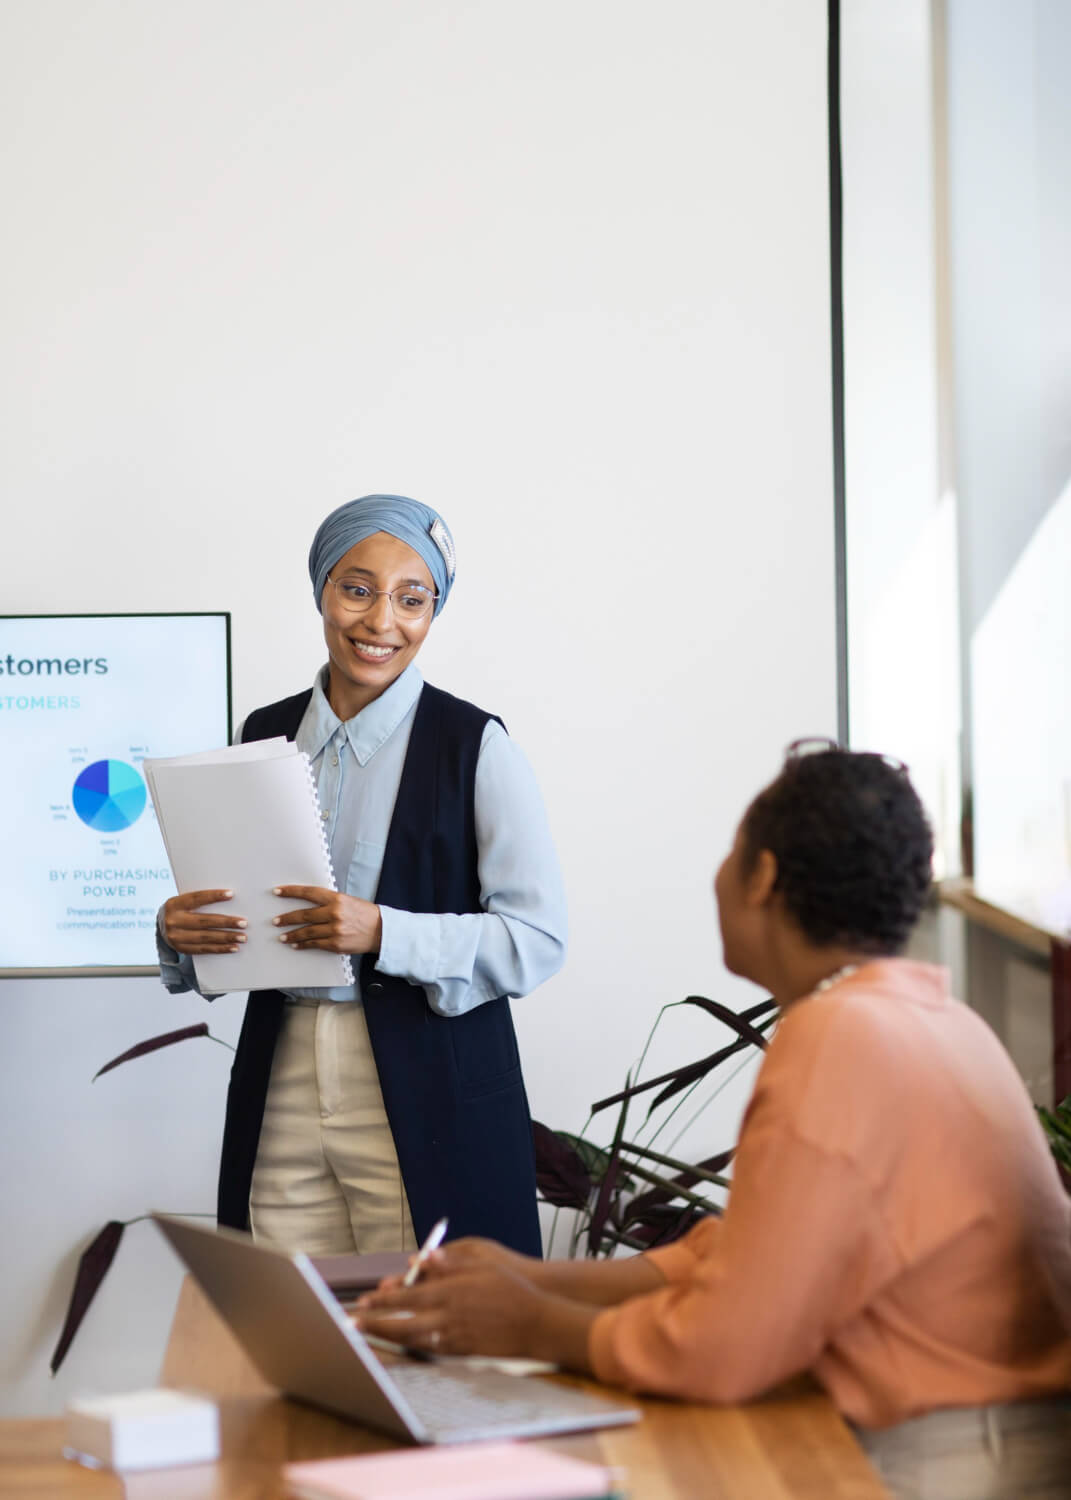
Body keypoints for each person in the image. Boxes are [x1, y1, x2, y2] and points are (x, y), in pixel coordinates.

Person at [358, 742, 1071, 1500]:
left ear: (761, 875)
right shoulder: (934, 1019)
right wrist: (528, 1279)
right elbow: (743, 1255)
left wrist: (523, 1321)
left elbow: (723, 1349)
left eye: (731, 852)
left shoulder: (840, 1039)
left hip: (942, 1465)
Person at [157, 493, 566, 1258]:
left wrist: (382, 931)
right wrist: (182, 932)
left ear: (433, 613)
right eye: (357, 588)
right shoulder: (261, 734)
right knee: (291, 1317)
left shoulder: (475, 745)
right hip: (283, 1064)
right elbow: (240, 912)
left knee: (431, 1335)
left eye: (413, 599)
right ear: (321, 590)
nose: (381, 621)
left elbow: (536, 938)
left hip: (425, 1077)